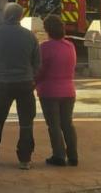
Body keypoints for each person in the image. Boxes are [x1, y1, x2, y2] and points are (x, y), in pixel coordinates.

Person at [0, 2, 41, 170]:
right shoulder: (30, 36)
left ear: (5, 15)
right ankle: (25, 159)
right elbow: (37, 62)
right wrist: (31, 76)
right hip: (25, 84)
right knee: (26, 122)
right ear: (21, 16)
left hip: (3, 83)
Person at [35, 15, 78, 167]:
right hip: (69, 90)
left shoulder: (45, 47)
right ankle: (73, 155)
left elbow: (40, 70)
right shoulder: (70, 46)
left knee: (53, 125)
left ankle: (59, 155)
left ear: (47, 30)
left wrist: (33, 83)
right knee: (67, 124)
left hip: (49, 91)